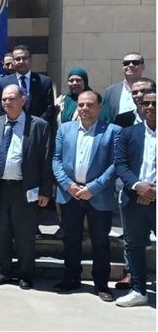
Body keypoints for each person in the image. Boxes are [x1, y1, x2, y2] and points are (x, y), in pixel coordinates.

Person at [0, 84, 52, 290]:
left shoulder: (38, 126)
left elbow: (46, 160)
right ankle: (2, 271)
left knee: (25, 235)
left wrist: (45, 190)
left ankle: (25, 273)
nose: (7, 102)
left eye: (11, 98)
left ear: (23, 100)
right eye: (4, 99)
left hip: (25, 189)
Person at [51, 90, 120, 302]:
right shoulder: (65, 129)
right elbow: (56, 160)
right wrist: (68, 185)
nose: (84, 109)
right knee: (71, 240)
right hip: (70, 194)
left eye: (90, 105)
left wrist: (93, 188)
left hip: (98, 195)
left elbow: (116, 164)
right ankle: (71, 278)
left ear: (100, 107)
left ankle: (101, 285)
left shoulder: (113, 131)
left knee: (100, 242)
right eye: (81, 105)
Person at [114, 90, 156, 308]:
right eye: (145, 103)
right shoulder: (129, 133)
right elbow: (120, 164)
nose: (150, 107)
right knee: (134, 246)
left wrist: (154, 191)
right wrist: (139, 186)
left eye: (154, 103)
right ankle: (139, 291)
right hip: (134, 198)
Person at [0, 45, 55, 126]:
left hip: (38, 128)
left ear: (30, 59)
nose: (21, 61)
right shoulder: (2, 83)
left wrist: (36, 125)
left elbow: (49, 108)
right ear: (13, 61)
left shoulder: (44, 82)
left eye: (24, 58)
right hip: (12, 127)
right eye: (17, 59)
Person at [103, 52, 146, 122]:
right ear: (123, 67)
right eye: (126, 63)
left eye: (135, 62)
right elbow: (105, 116)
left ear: (143, 66)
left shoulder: (152, 89)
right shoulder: (111, 91)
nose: (130, 65)